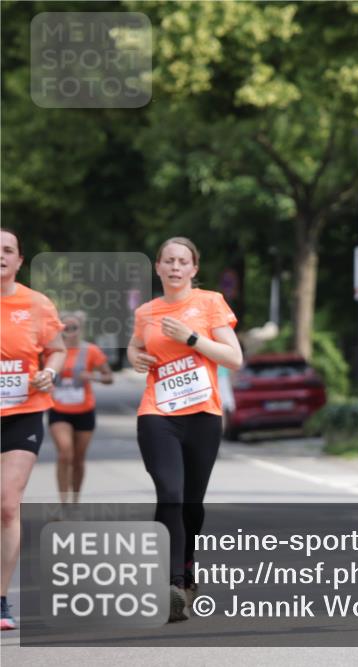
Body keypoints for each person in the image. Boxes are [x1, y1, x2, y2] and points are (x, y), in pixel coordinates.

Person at [126, 237, 242, 623]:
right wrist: (136, 356)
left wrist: (192, 338)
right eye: (168, 261)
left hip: (202, 416)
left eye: (183, 261)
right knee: (170, 493)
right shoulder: (146, 312)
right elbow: (135, 346)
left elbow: (234, 358)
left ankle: (187, 565)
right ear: (157, 267)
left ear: (194, 269)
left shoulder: (210, 303)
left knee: (191, 504)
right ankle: (172, 584)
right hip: (158, 413)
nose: (175, 267)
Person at [1, 228, 67, 631]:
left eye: (7, 251)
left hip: (23, 413)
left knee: (7, 504)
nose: (0, 256)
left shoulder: (37, 304)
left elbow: (57, 349)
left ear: (20, 260)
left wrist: (49, 372)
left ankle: (0, 599)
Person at [49, 311, 113, 505]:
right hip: (59, 409)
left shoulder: (91, 351)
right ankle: (63, 502)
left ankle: (75, 500)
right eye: (65, 328)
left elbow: (109, 377)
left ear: (80, 329)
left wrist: (92, 376)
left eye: (74, 328)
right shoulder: (51, 351)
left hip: (84, 411)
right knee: (65, 453)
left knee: (78, 459)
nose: (70, 332)